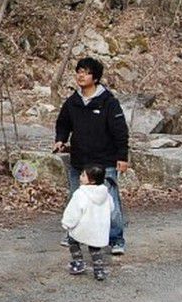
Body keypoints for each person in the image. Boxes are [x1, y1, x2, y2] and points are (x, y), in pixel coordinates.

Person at [53, 56, 130, 254]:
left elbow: (120, 131)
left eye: (86, 73)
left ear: (95, 78)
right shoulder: (73, 102)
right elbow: (63, 123)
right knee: (76, 200)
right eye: (79, 72)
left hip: (105, 162)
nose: (81, 76)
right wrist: (61, 139)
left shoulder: (108, 102)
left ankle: (116, 239)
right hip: (79, 162)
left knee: (110, 202)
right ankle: (73, 235)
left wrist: (122, 157)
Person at [61, 165, 113, 281]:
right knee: (95, 248)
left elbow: (73, 211)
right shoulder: (105, 193)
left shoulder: (81, 193)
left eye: (83, 175)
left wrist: (67, 223)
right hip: (99, 227)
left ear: (92, 180)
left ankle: (78, 262)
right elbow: (112, 207)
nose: (80, 177)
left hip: (83, 227)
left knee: (73, 241)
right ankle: (99, 270)